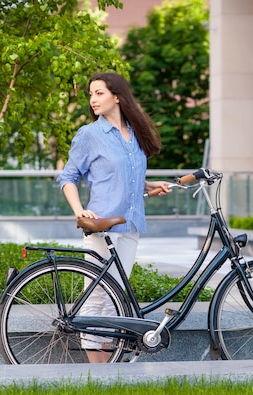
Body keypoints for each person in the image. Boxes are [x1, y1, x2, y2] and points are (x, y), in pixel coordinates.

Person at [57, 71, 170, 363]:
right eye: (91, 94)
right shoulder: (90, 135)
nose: (93, 99)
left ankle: (109, 364)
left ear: (117, 96)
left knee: (116, 297)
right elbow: (68, 177)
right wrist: (79, 209)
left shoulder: (133, 134)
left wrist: (148, 186)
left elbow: (124, 174)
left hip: (130, 225)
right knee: (98, 298)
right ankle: (99, 370)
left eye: (99, 93)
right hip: (102, 226)